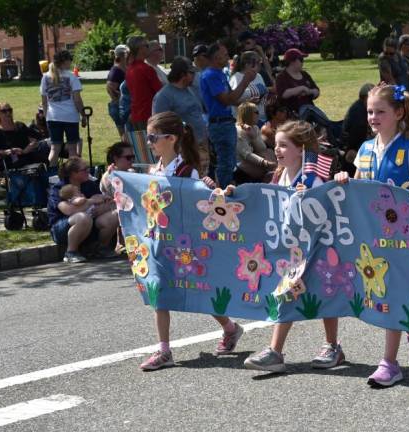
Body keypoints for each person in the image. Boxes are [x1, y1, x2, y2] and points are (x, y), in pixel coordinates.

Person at [333, 85, 409, 386]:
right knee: (384, 293)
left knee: (392, 295)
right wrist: (344, 178)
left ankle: (389, 362)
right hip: (372, 237)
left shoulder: (408, 149)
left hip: (403, 238)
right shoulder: (364, 150)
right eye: (370, 111)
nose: (373, 117)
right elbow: (359, 186)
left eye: (380, 111)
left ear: (398, 113)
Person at [139, 111, 241, 371]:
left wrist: (210, 190)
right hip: (160, 242)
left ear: (171, 138)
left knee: (200, 290)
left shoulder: (187, 171)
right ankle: (164, 350)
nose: (149, 142)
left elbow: (201, 205)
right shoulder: (155, 170)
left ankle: (230, 328)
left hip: (185, 242)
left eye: (153, 137)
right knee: (158, 292)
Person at [243, 120, 343, 373]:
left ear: (301, 150)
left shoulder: (312, 179)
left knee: (324, 294)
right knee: (285, 293)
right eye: (275, 145)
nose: (277, 150)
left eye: (284, 145)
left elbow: (323, 212)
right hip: (291, 250)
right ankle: (275, 350)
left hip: (316, 247)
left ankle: (332, 345)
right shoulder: (279, 175)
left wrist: (304, 199)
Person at [199, 41, 256, 188]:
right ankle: (224, 192)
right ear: (216, 57)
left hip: (226, 122)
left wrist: (245, 102)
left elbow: (232, 97)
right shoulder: (211, 75)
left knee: (230, 161)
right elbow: (226, 100)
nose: (228, 57)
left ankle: (227, 186)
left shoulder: (220, 74)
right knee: (225, 162)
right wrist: (245, 81)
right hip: (219, 124)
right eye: (225, 55)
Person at [47, 157, 119, 263]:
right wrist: (90, 201)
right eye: (84, 169)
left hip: (89, 223)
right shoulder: (60, 189)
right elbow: (68, 210)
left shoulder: (89, 184)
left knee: (115, 215)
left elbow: (106, 204)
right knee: (83, 217)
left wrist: (100, 207)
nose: (88, 171)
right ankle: (71, 252)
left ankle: (99, 249)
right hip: (62, 228)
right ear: (73, 173)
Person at [152, 56, 210, 175]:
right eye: (191, 73)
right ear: (184, 74)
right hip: (183, 148)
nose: (194, 76)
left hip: (200, 143)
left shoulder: (190, 90)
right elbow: (158, 124)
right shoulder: (164, 96)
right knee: (189, 178)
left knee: (203, 177)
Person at [40, 50, 86, 169]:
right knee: (72, 148)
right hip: (70, 117)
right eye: (70, 60)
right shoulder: (72, 77)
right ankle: (72, 174)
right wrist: (83, 115)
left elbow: (44, 101)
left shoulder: (45, 77)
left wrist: (46, 117)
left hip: (53, 117)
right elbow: (77, 100)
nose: (71, 63)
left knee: (55, 148)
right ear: (65, 61)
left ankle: (50, 174)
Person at [125, 35, 163, 165]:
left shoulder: (130, 69)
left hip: (137, 114)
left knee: (143, 152)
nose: (149, 48)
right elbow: (161, 92)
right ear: (140, 49)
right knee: (155, 151)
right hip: (149, 115)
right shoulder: (146, 69)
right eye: (146, 46)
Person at [0, 102, 49, 171]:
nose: (8, 113)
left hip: (26, 154)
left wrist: (25, 151)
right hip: (9, 158)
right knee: (22, 162)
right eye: (4, 111)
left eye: (10, 110)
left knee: (45, 160)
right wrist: (10, 151)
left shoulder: (20, 125)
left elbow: (35, 139)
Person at [234, 102, 277, 183]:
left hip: (255, 162)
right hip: (241, 165)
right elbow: (247, 154)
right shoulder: (238, 131)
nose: (259, 114)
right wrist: (265, 163)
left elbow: (262, 148)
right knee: (266, 155)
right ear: (248, 114)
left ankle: (273, 178)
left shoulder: (255, 128)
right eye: (256, 112)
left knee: (269, 152)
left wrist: (254, 137)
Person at [276, 48, 321, 115]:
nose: (303, 62)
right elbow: (283, 94)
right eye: (301, 60)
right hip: (292, 113)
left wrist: (309, 92)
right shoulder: (282, 77)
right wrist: (300, 89)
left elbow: (316, 91)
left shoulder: (305, 74)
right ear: (292, 61)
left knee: (326, 122)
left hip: (309, 109)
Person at [229, 50, 268, 123]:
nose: (260, 64)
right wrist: (248, 103)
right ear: (247, 64)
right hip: (245, 121)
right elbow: (232, 101)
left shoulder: (259, 76)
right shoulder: (236, 78)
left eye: (260, 61)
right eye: (257, 62)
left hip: (261, 119)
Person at [341, 83, 375, 164]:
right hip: (354, 147)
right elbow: (356, 136)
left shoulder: (363, 106)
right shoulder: (358, 113)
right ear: (365, 97)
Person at [107, 44, 128, 138]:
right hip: (118, 107)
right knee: (125, 135)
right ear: (123, 56)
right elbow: (109, 87)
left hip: (121, 106)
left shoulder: (122, 68)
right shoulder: (116, 70)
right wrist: (119, 98)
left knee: (127, 134)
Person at [191, 44, 210, 109]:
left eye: (200, 56)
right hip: (196, 111)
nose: (196, 58)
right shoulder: (190, 73)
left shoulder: (210, 71)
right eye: (195, 56)